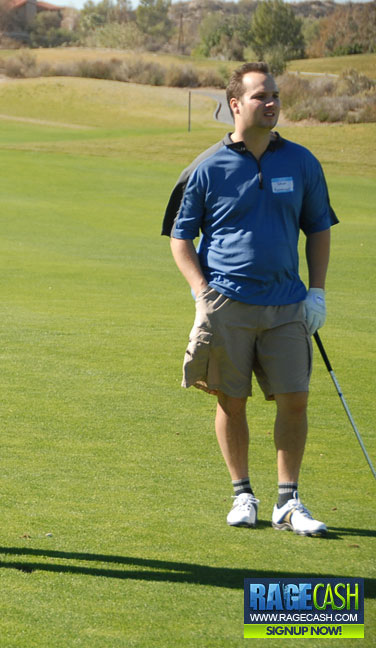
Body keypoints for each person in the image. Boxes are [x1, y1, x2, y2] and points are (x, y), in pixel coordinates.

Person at [164, 62, 337, 537]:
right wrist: (202, 294)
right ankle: (243, 493)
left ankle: (288, 501)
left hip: (286, 304)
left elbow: (318, 228)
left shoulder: (301, 162)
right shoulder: (205, 167)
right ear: (235, 104)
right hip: (228, 302)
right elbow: (180, 238)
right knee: (231, 401)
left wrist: (317, 291)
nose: (272, 103)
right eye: (261, 96)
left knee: (295, 399)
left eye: (276, 95)